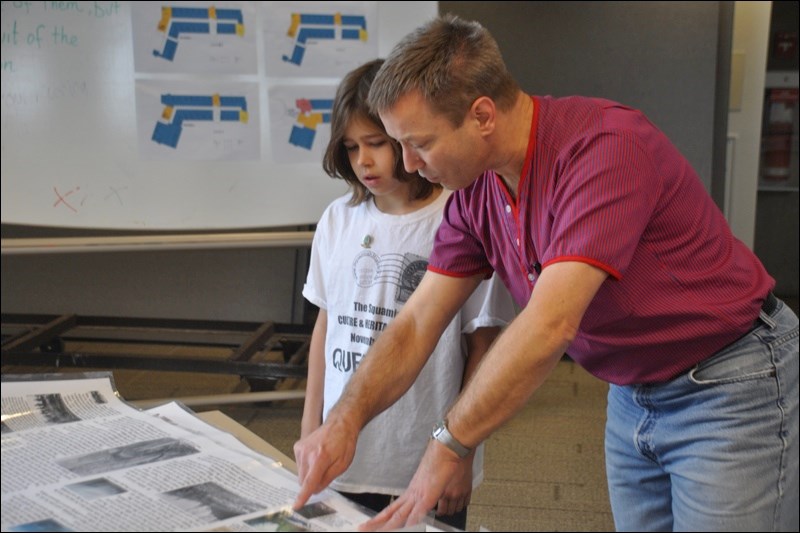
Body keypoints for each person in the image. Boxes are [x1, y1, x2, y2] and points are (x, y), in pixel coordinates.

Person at [293, 15, 799, 532]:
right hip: (632, 390)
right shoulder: (476, 191)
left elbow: (549, 325)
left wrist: (447, 443)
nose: (409, 163)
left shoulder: (604, 147)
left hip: (730, 381)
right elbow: (419, 319)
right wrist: (344, 421)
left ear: (482, 115)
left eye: (419, 142)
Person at [299, 58, 516, 530]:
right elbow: (325, 326)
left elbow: (482, 342)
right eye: (352, 147)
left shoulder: (457, 218)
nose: (364, 161)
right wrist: (311, 425)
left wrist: (461, 452)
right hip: (343, 456)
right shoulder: (338, 219)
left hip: (424, 458)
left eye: (376, 143)